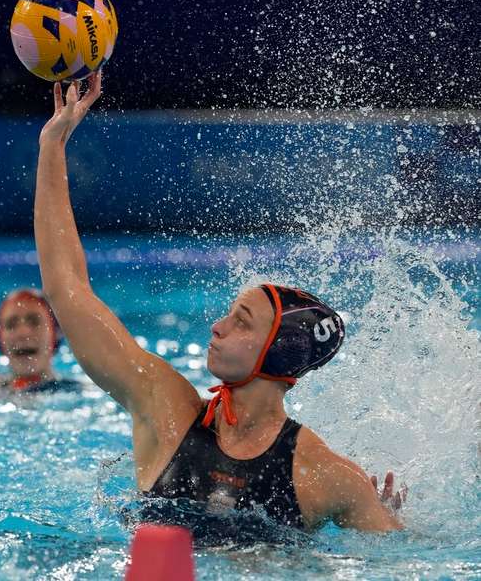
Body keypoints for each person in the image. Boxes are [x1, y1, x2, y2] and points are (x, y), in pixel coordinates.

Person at [31, 71, 406, 532]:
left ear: (277, 350)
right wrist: (53, 145)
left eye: (241, 322)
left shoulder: (326, 476)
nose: (217, 327)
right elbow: (67, 289)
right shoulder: (163, 406)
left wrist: (388, 522)